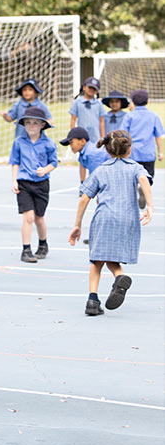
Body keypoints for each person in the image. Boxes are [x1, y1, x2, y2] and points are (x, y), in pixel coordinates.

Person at [68, 130, 153, 316]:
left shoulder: (101, 170)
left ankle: (92, 299)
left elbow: (84, 198)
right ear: (129, 149)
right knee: (112, 257)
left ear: (106, 150)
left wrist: (77, 224)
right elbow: (143, 180)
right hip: (128, 218)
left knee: (97, 260)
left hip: (105, 217)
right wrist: (150, 206)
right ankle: (119, 277)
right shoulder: (135, 167)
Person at [9, 106, 58, 263]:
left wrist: (45, 170)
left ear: (42, 125)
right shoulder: (19, 142)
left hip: (42, 184)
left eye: (35, 123)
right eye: (28, 123)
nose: (31, 126)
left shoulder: (49, 143)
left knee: (38, 218)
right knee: (28, 217)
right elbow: (15, 162)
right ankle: (26, 250)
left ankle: (43, 244)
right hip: (24, 183)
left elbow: (54, 163)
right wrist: (14, 180)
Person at [123, 89, 164, 207]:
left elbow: (124, 134)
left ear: (133, 102)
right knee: (149, 175)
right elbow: (158, 135)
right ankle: (144, 188)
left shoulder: (129, 116)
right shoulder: (154, 116)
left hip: (133, 152)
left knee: (132, 175)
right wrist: (160, 152)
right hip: (148, 153)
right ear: (148, 101)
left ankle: (137, 187)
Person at [69, 77, 105, 182]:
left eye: (94, 89)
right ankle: (83, 181)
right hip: (81, 137)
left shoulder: (98, 104)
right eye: (89, 87)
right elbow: (73, 119)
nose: (91, 90)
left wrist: (102, 136)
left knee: (95, 159)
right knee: (83, 159)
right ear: (84, 87)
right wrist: (72, 134)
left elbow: (102, 120)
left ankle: (94, 181)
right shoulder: (77, 102)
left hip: (95, 136)